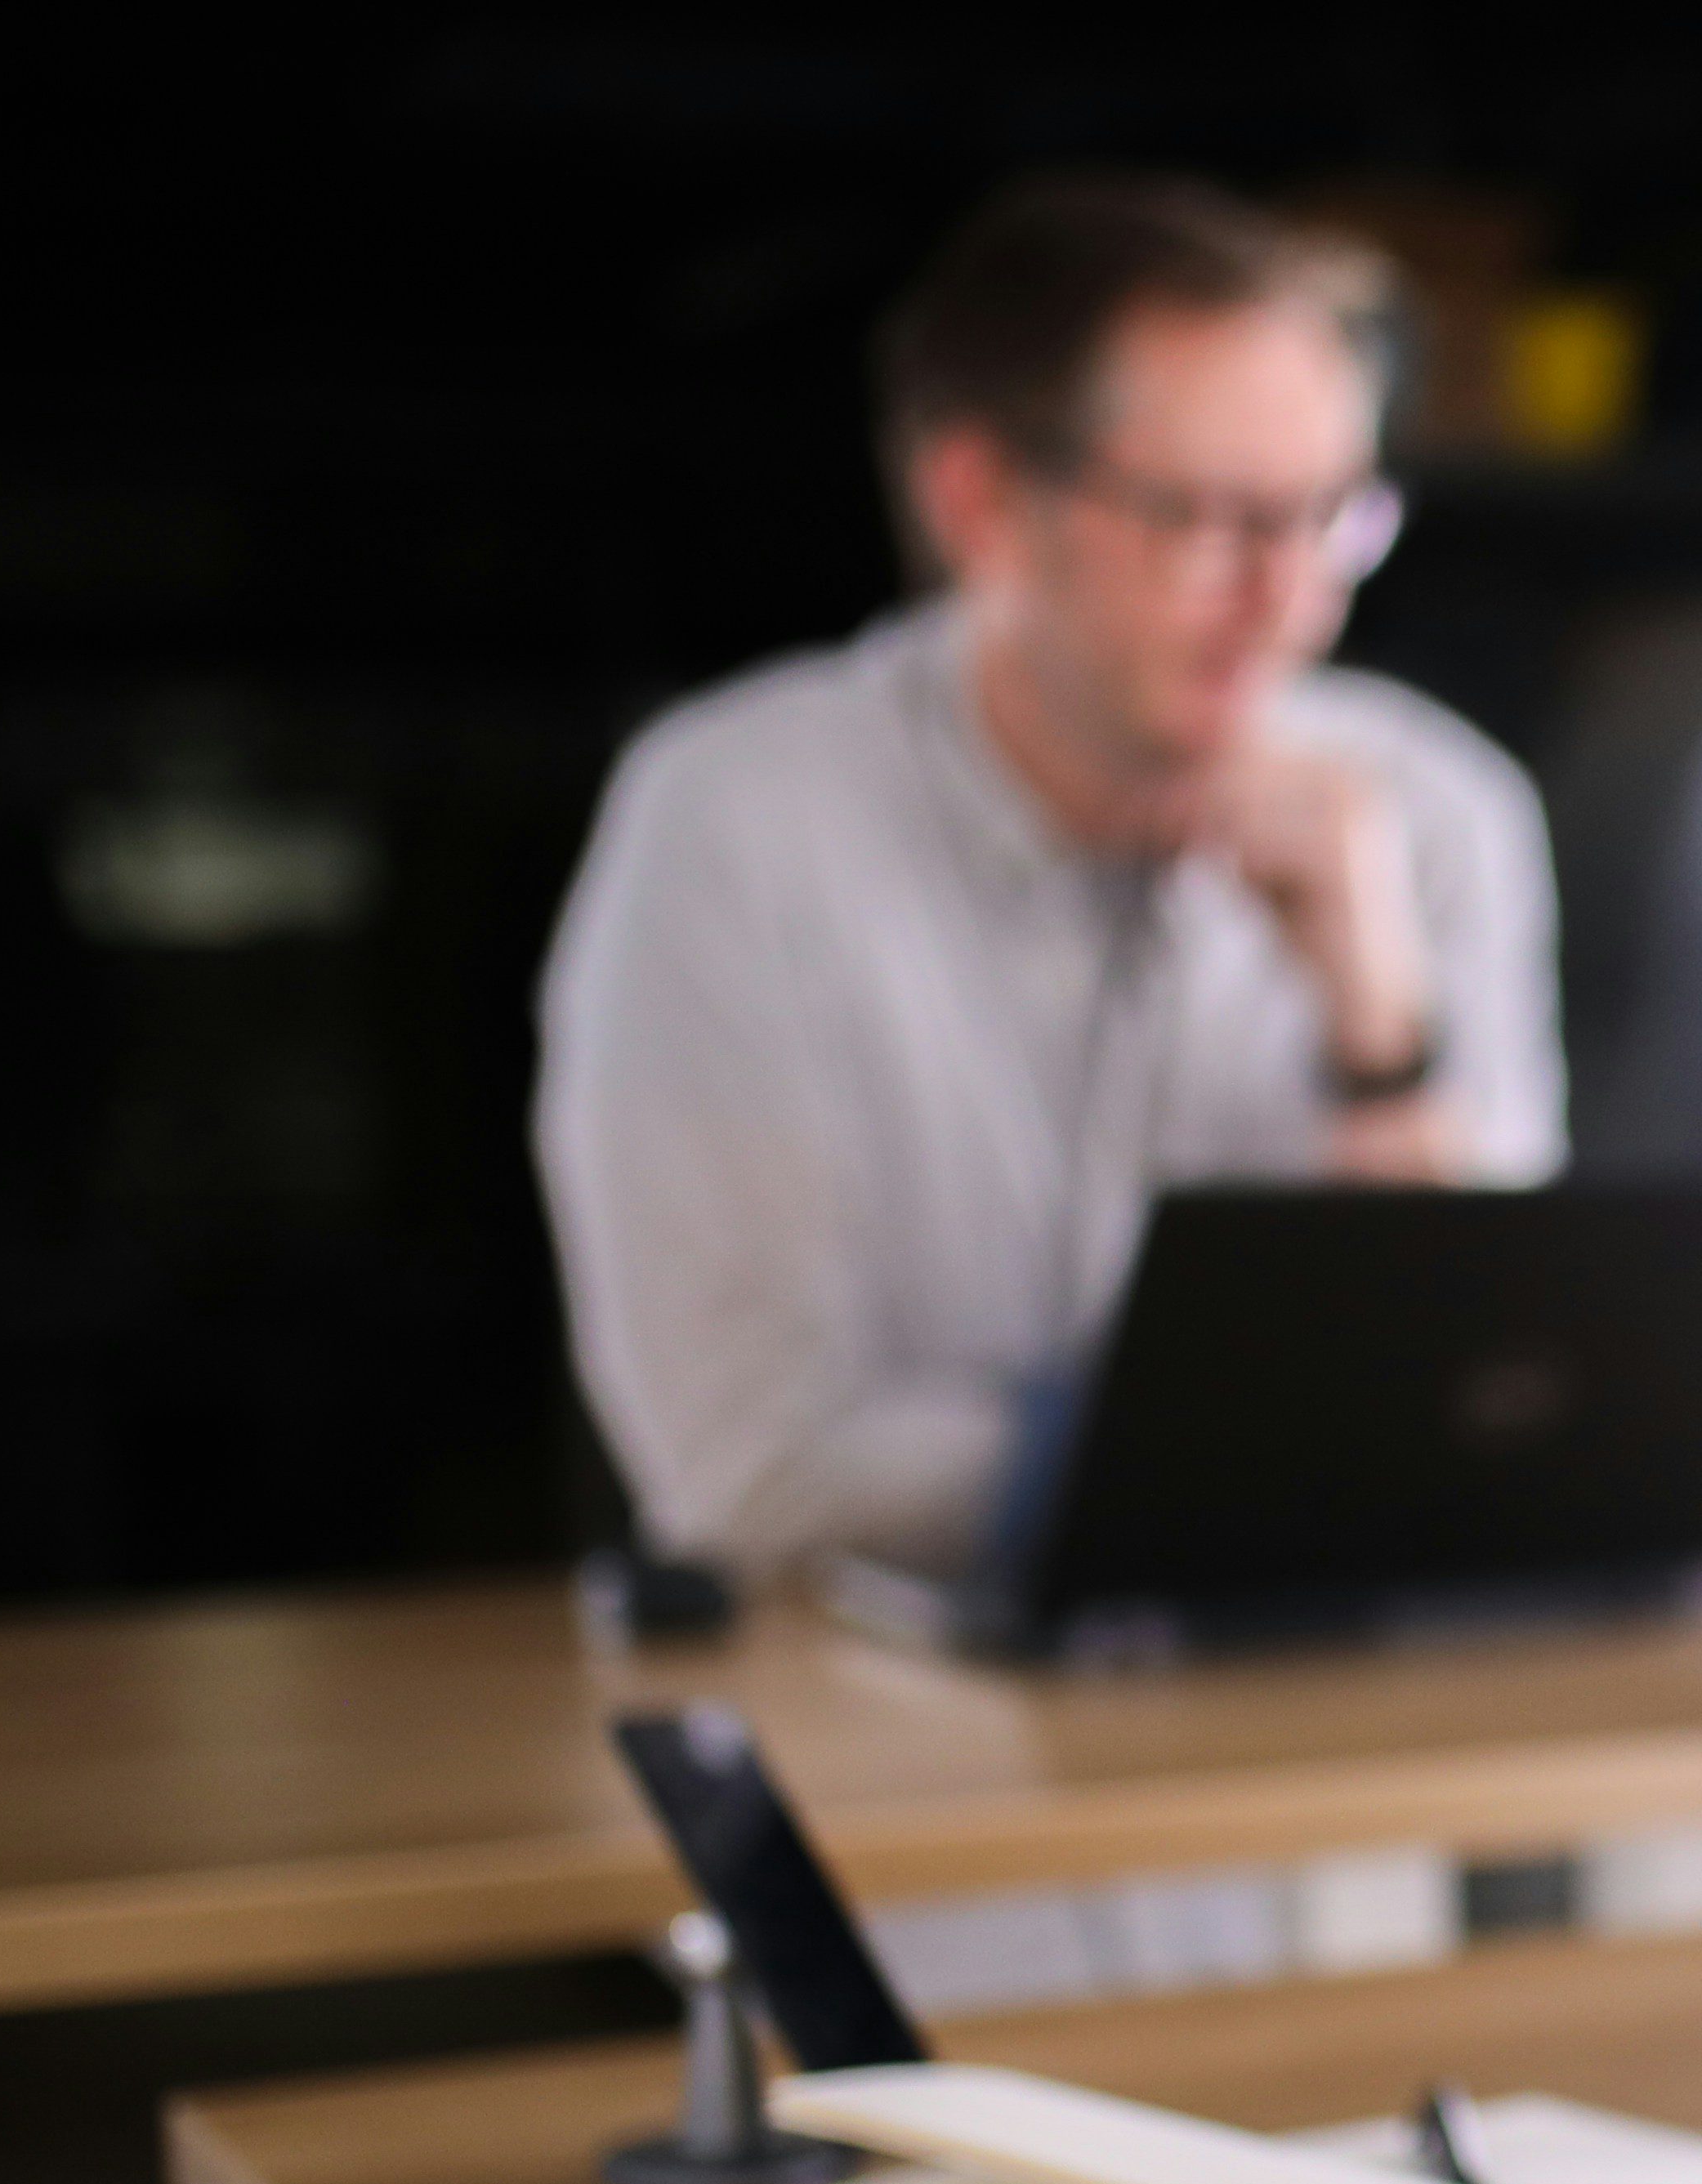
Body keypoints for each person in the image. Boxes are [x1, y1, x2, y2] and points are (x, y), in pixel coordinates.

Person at [538, 173, 1561, 1575]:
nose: (1292, 596)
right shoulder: (737, 820)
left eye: (1328, 513)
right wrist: (1280, 1443)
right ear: (980, 503)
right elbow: (747, 1471)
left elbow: (1516, 1419)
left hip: (1329, 1703)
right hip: (898, 1737)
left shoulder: (1431, 813)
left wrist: (1379, 1041)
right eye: (1207, 519)